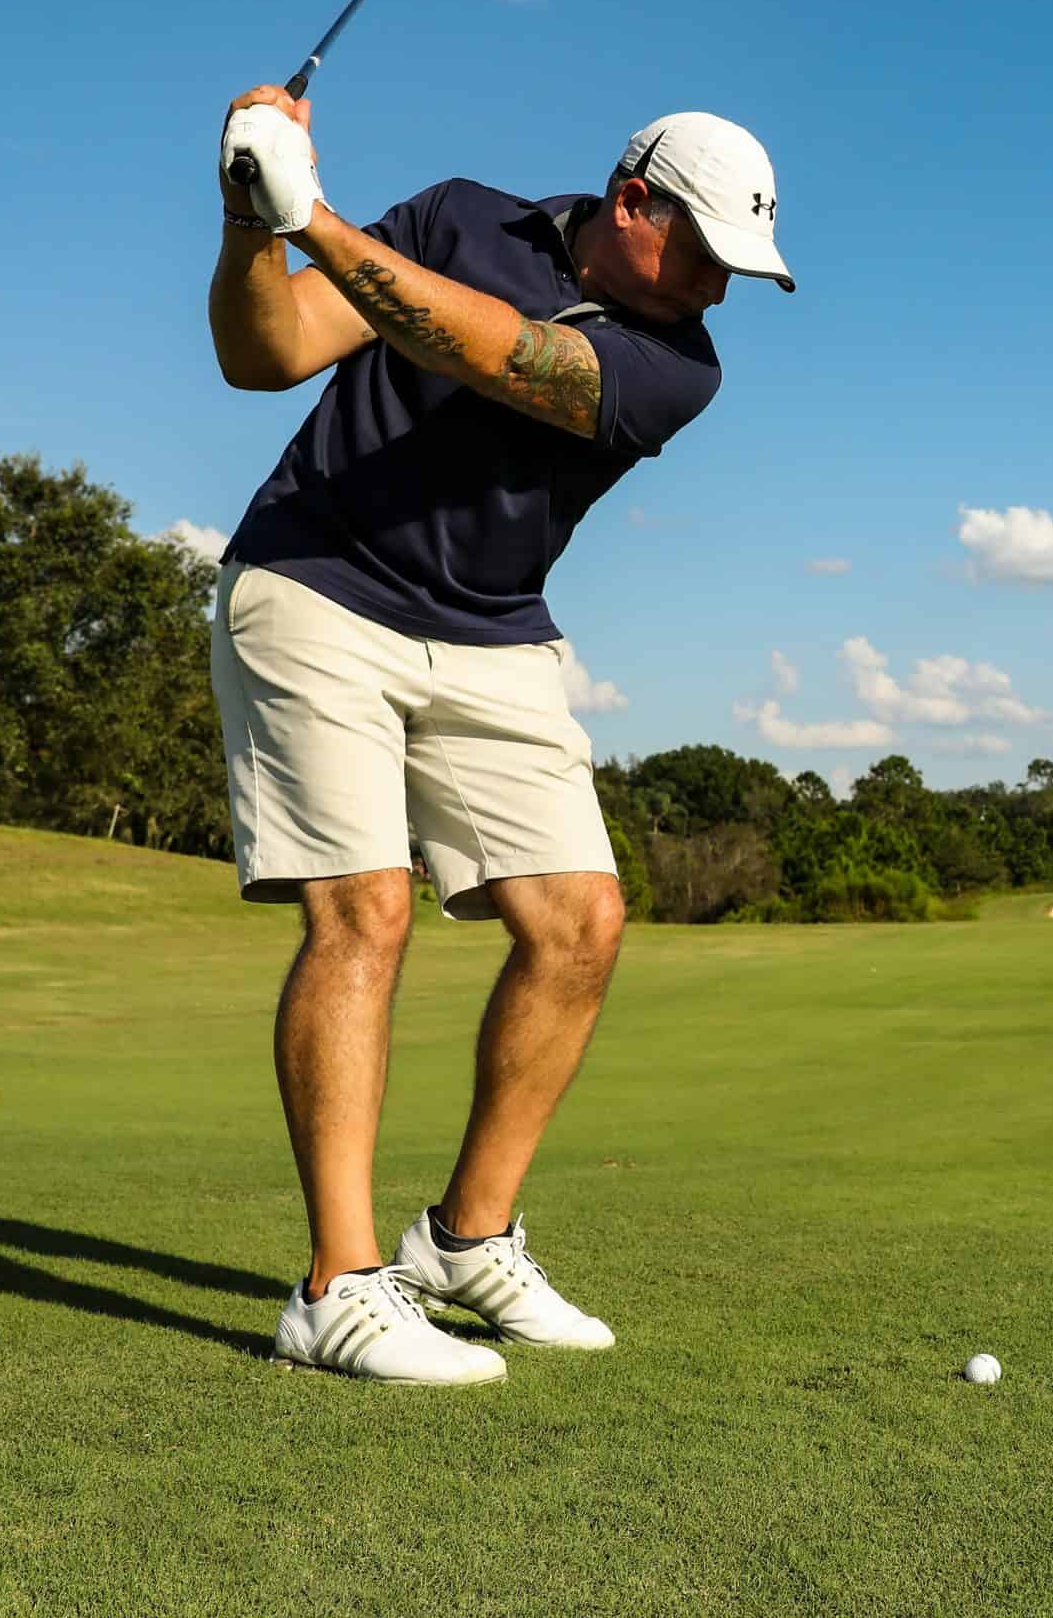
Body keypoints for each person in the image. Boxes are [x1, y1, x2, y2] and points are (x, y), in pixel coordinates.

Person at [206, 89, 793, 1385]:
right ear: (631, 203)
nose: (717, 289)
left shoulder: (680, 368)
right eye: (704, 254)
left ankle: (466, 1242)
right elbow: (270, 353)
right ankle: (338, 1288)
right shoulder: (459, 219)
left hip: (490, 629)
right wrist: (253, 224)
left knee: (580, 922)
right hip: (313, 585)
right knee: (364, 912)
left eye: (737, 271)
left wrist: (315, 220)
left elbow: (507, 358)